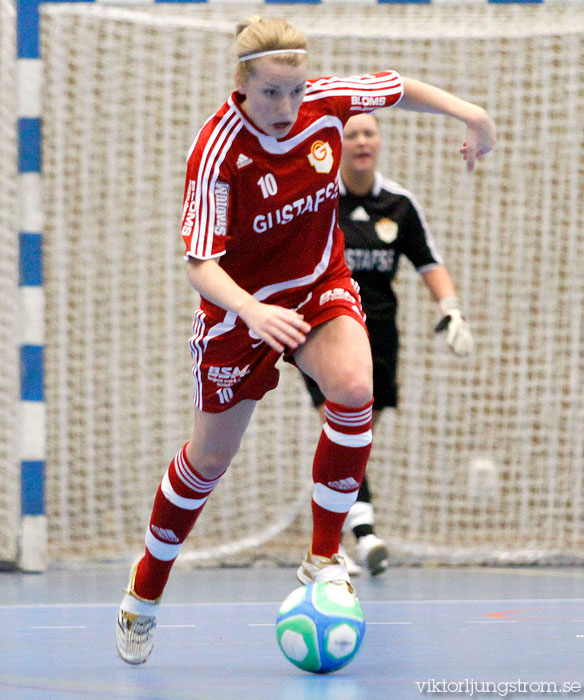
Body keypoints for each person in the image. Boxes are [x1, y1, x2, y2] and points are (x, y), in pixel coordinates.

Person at [115, 15, 496, 664]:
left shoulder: (324, 104)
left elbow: (397, 86)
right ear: (241, 85)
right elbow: (199, 263)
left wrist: (473, 116)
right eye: (270, 93)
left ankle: (323, 555)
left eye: (295, 90)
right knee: (208, 462)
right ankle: (145, 590)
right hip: (239, 314)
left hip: (319, 284)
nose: (287, 107)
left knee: (353, 387)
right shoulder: (217, 151)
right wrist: (251, 312)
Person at [301, 112, 474, 577]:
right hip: (325, 329)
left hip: (379, 335)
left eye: (368, 133)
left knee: (358, 439)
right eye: (351, 133)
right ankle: (363, 535)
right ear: (338, 144)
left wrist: (451, 308)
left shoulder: (399, 204)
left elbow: (428, 262)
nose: (361, 141)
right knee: (339, 421)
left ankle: (334, 538)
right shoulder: (319, 203)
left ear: (378, 142)